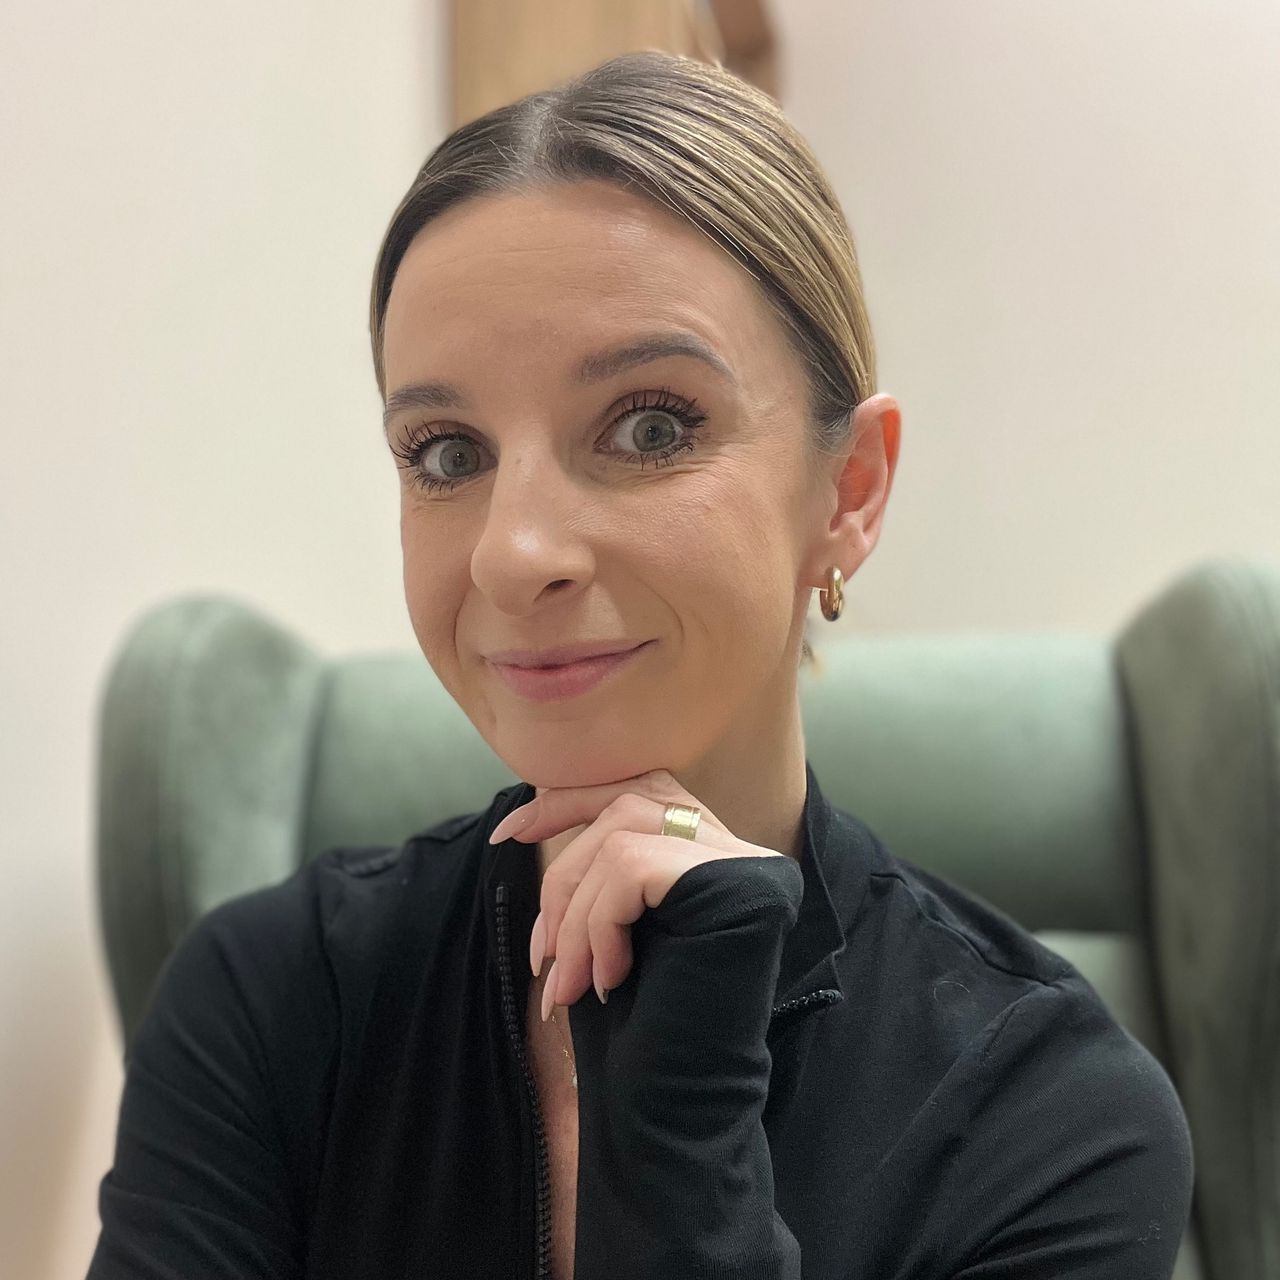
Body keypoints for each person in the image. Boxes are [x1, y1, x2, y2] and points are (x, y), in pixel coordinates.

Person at [88, 49, 1194, 1280]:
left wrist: (678, 1116)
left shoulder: (1050, 1114)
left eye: (650, 425)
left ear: (847, 490)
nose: (513, 554)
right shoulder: (267, 998)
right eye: (446, 452)